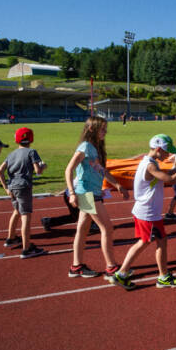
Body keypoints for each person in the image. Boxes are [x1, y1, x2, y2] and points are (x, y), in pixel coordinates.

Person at [110, 135, 176, 291]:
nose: (167, 155)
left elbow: (166, 175)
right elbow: (169, 180)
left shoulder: (150, 163)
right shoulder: (150, 166)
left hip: (147, 211)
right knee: (146, 242)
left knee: (158, 241)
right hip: (148, 212)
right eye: (165, 151)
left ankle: (160, 275)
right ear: (158, 149)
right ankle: (122, 274)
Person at [65, 116, 130, 279]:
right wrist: (72, 193)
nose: (105, 132)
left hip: (90, 192)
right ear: (92, 129)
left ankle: (76, 266)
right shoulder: (85, 147)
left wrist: (118, 185)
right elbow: (69, 169)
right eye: (103, 129)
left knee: (82, 229)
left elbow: (102, 171)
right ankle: (111, 267)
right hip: (86, 193)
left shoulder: (93, 148)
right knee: (107, 228)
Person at [0, 127, 47, 259]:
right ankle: (26, 249)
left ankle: (11, 238)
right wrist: (43, 166)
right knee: (26, 216)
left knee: (16, 212)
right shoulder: (31, 152)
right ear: (31, 138)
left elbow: (0, 171)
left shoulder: (11, 154)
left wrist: (6, 188)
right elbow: (38, 171)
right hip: (24, 186)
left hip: (12, 186)